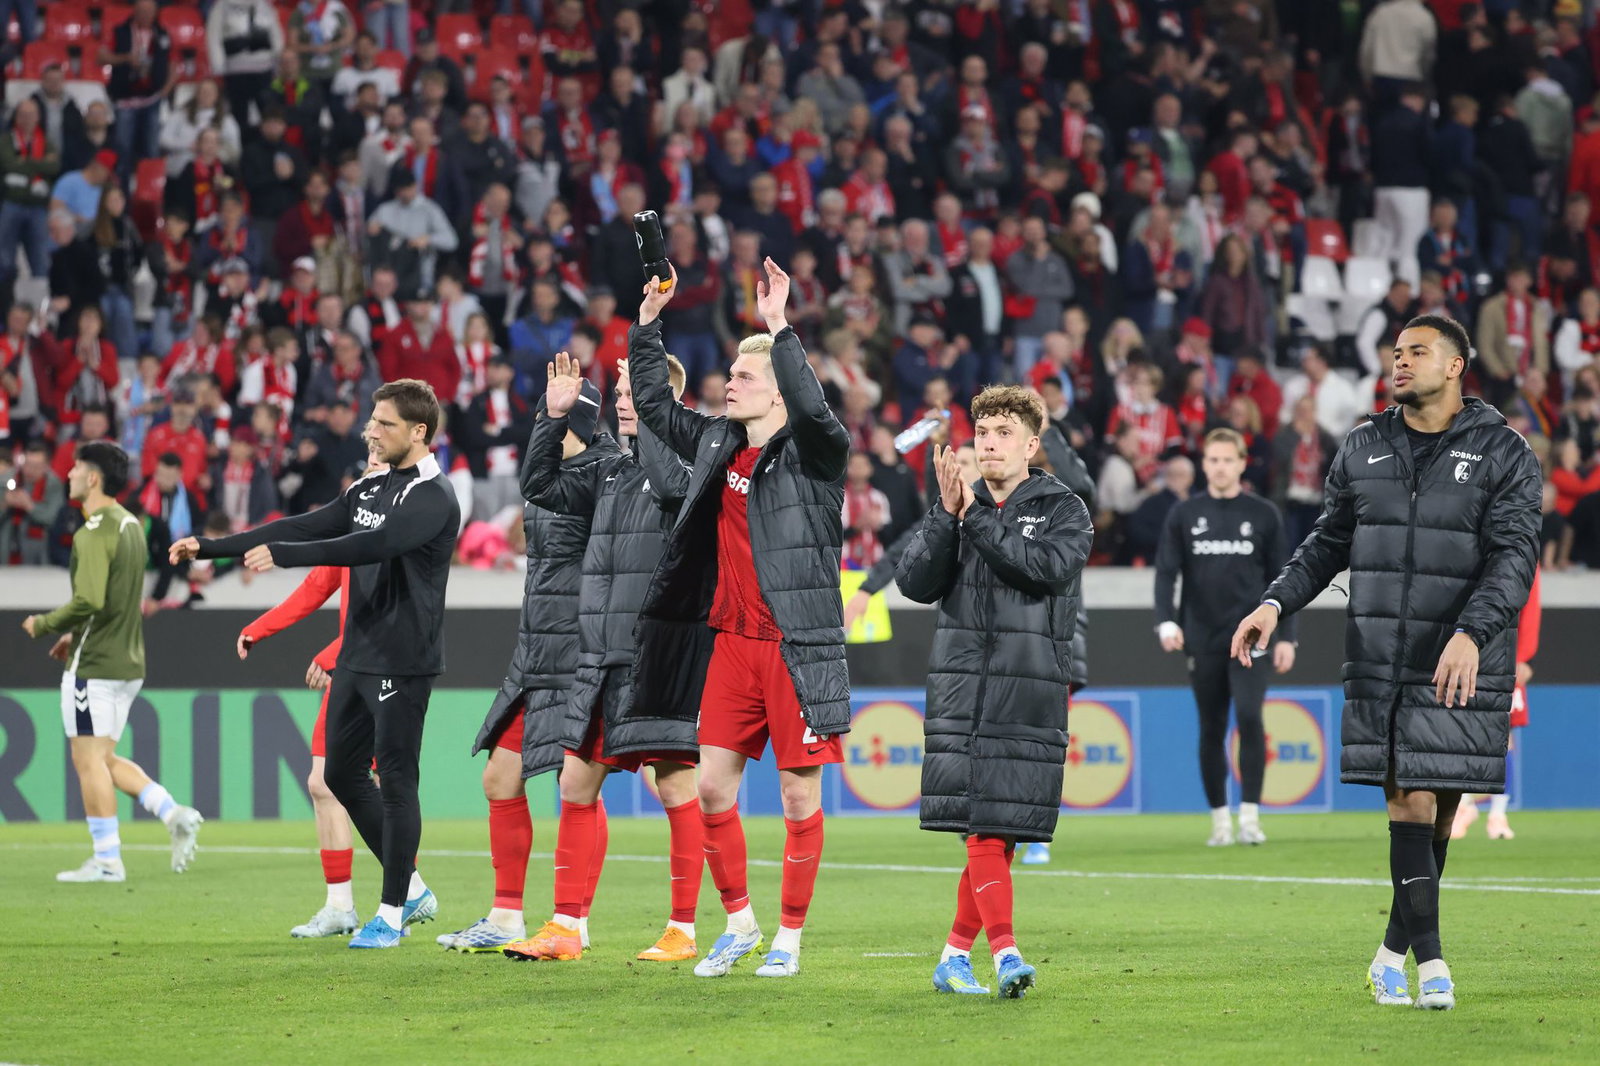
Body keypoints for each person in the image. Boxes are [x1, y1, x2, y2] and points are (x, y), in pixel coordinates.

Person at [1232, 315, 1541, 1011]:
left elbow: (1515, 557)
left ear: (1457, 366)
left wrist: (1472, 632)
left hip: (1462, 659)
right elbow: (1325, 542)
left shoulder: (1505, 452)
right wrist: (1276, 604)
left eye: (1417, 352)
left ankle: (1387, 958)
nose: (1400, 362)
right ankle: (1433, 965)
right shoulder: (1363, 445)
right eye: (1395, 353)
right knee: (1410, 797)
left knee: (1438, 814)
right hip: (1380, 657)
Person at [171, 379, 460, 949]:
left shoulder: (435, 495)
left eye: (384, 424)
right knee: (338, 775)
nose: (371, 431)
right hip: (356, 655)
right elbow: (304, 525)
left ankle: (393, 913)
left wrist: (286, 557)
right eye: (372, 420)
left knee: (398, 783)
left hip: (404, 661)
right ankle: (416, 889)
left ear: (419, 432)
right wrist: (211, 545)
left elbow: (366, 549)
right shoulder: (371, 487)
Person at [629, 257, 851, 980]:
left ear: (779, 393)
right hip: (730, 642)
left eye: (746, 377)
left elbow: (818, 414)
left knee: (795, 794)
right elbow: (658, 413)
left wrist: (780, 326)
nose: (731, 382)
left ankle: (789, 936)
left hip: (796, 647)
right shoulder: (720, 443)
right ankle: (741, 924)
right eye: (731, 373)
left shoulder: (816, 456)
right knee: (713, 789)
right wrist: (646, 327)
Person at [499, 351, 703, 963]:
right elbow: (538, 486)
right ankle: (565, 926)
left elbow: (669, 485)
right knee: (576, 781)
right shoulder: (610, 472)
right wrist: (552, 417)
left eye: (629, 389)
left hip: (658, 655)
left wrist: (658, 423)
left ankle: (683, 929)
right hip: (600, 655)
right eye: (615, 389)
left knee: (675, 787)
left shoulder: (689, 467)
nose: (619, 398)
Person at [895, 387, 1093, 998]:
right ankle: (1004, 954)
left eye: (1004, 430)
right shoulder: (960, 506)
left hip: (1028, 694)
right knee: (984, 829)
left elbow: (1039, 569)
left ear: (1033, 445)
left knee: (998, 833)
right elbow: (914, 582)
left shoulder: (1066, 509)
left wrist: (968, 516)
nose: (988, 441)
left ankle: (954, 957)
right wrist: (942, 515)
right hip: (961, 690)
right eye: (982, 429)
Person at [452, 378, 619, 954]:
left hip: (582, 648)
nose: (541, 420)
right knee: (499, 777)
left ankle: (575, 919)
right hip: (537, 648)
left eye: (556, 411)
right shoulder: (545, 472)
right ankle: (505, 916)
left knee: (582, 787)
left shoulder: (610, 471)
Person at [21, 442, 204, 882]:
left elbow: (89, 599)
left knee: (87, 761)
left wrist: (45, 624)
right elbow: (116, 601)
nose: (69, 474)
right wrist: (74, 632)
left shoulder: (92, 532)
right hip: (129, 662)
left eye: (77, 468)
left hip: (95, 667)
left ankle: (107, 861)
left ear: (94, 478)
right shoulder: (130, 525)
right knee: (102, 756)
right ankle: (171, 811)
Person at [234, 444, 390, 938]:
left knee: (379, 788)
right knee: (325, 783)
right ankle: (343, 904)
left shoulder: (399, 537)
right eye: (367, 461)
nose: (369, 473)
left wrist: (332, 655)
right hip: (350, 671)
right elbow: (312, 590)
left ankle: (402, 898)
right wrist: (259, 628)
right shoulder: (352, 539)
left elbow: (390, 620)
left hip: (385, 675)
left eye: (379, 462)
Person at [1154, 428, 1297, 847]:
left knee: (1250, 718)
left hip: (1254, 639)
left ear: (1240, 462)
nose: (1219, 467)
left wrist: (1288, 635)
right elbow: (1166, 571)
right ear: (1205, 464)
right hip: (1202, 637)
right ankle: (1220, 820)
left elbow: (1286, 578)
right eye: (1212, 460)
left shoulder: (1264, 514)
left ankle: (1250, 816)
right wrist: (1166, 621)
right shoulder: (1183, 514)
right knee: (1211, 727)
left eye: (1227, 460)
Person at [1452, 564, 1541, 841]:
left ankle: (1496, 814)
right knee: (1466, 735)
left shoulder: (1522, 553)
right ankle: (1465, 806)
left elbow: (1531, 605)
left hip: (1505, 656)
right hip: (1468, 652)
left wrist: (1524, 656)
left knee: (1505, 735)